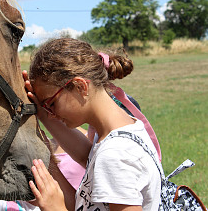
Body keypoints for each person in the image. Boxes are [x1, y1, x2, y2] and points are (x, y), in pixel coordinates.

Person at [24, 38, 161, 211]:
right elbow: (86, 157)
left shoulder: (114, 155)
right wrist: (42, 114)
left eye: (51, 104)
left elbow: (105, 160)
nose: (52, 113)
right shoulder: (125, 129)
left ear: (80, 86)